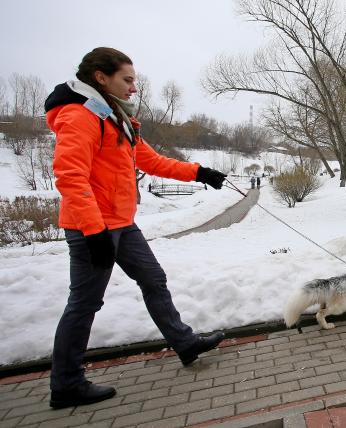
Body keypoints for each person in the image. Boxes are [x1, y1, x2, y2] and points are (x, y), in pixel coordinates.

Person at [45, 47, 229, 409]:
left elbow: (151, 160)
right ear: (101, 77)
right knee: (84, 303)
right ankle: (65, 384)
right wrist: (94, 231)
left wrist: (199, 173)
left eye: (134, 81)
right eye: (127, 80)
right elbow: (70, 177)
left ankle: (185, 342)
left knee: (153, 279)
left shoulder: (116, 117)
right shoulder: (81, 116)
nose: (134, 88)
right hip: (93, 228)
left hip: (122, 223)